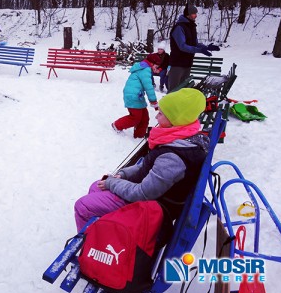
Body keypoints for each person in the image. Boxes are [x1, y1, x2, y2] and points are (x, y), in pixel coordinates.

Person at [75, 88, 209, 231]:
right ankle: (104, 230)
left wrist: (113, 183)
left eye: (161, 114)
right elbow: (147, 165)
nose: (156, 117)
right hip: (150, 198)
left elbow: (143, 194)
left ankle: (92, 247)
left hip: (151, 210)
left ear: (175, 120)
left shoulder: (173, 157)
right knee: (97, 186)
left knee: (83, 206)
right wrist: (123, 174)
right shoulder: (178, 137)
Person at [168, 4, 220, 91]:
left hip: (187, 64)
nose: (196, 15)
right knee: (174, 90)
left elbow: (194, 43)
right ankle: (168, 105)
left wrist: (206, 47)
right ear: (187, 14)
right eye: (193, 13)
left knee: (184, 90)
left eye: (196, 13)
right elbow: (182, 46)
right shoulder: (179, 27)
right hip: (177, 64)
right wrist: (200, 50)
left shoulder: (191, 27)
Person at [111, 55, 160, 139]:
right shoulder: (145, 70)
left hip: (137, 95)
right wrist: (153, 101)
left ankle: (139, 136)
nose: (157, 69)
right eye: (157, 66)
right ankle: (117, 125)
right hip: (133, 96)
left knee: (144, 117)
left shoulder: (143, 68)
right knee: (135, 117)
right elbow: (148, 87)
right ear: (152, 63)